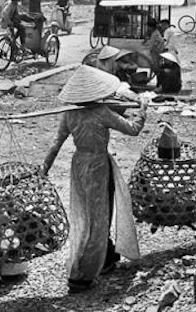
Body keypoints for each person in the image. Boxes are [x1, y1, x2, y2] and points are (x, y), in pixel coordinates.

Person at [42, 66, 146, 293]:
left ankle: (106, 255)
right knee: (99, 217)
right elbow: (133, 129)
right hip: (98, 165)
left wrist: (44, 171)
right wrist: (142, 111)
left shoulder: (70, 113)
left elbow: (56, 144)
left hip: (79, 165)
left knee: (86, 214)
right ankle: (83, 274)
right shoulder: (102, 112)